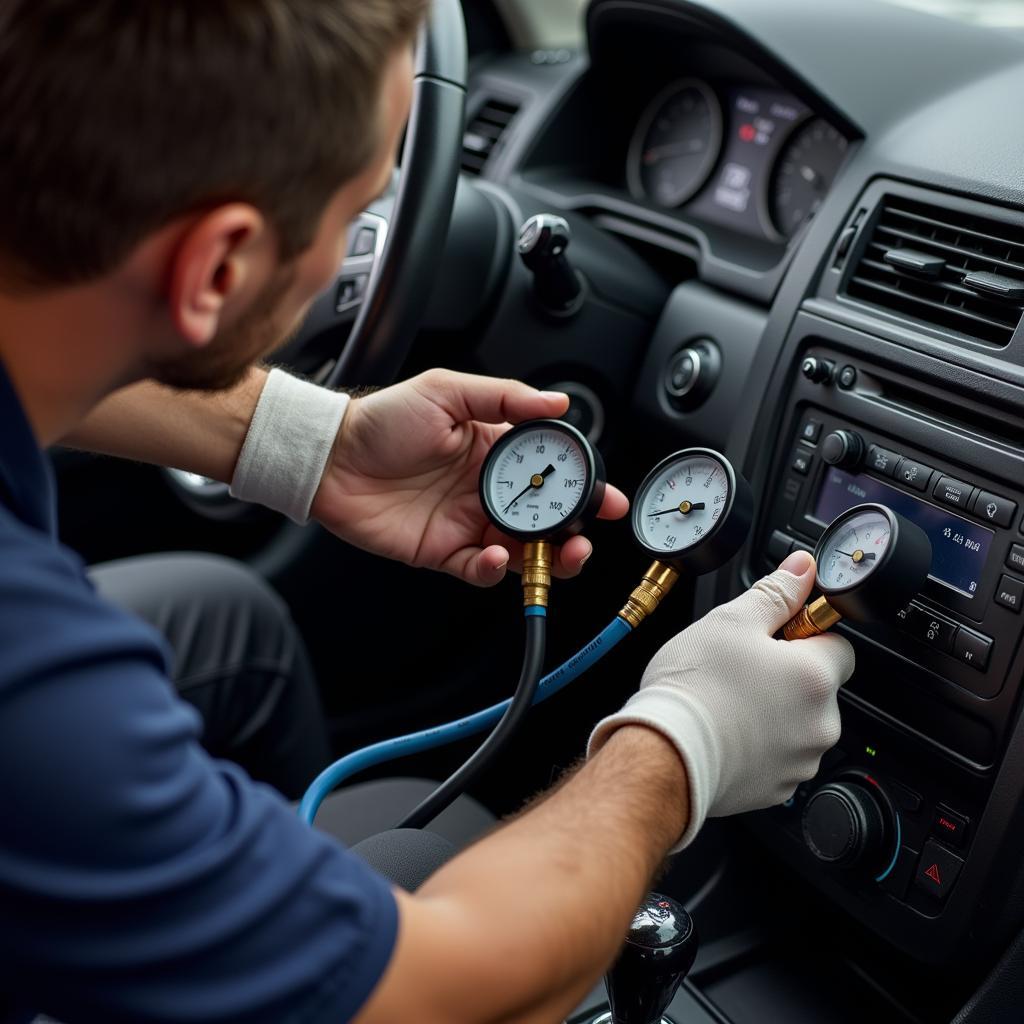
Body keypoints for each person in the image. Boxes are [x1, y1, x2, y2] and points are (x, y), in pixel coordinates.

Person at [0, 3, 855, 1022]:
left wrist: (306, 441)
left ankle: (245, 910)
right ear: (218, 269)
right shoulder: (26, 668)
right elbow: (443, 994)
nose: (368, 238)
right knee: (414, 855)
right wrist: (684, 737)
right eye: (364, 203)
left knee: (223, 614)